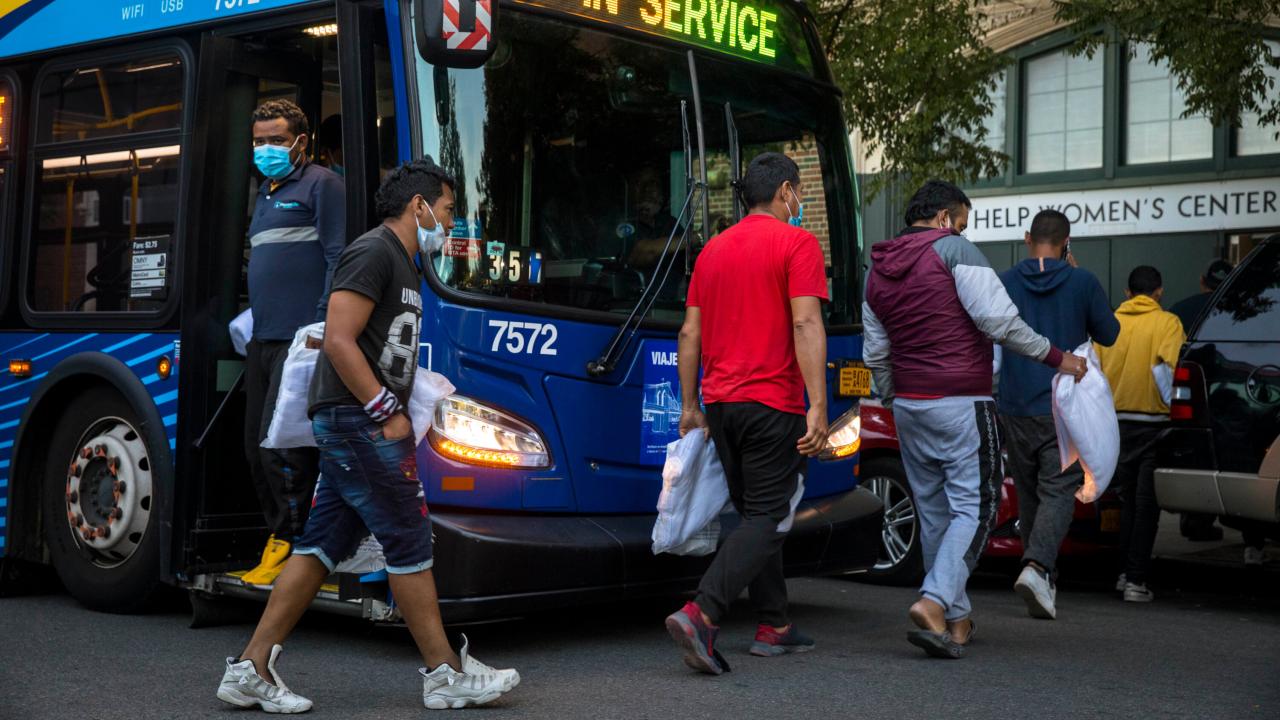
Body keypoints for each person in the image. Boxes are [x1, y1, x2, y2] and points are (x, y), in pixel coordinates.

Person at [217, 158, 519, 712]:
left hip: (358, 424)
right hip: (362, 423)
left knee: (320, 546)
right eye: (448, 210)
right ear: (419, 206)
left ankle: (249, 669)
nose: (450, 224)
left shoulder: (403, 262)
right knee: (408, 538)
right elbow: (338, 338)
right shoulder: (374, 251)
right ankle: (444, 672)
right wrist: (387, 410)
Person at [862, 180, 1086, 659]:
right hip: (963, 400)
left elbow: (877, 352)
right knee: (979, 506)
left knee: (936, 512)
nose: (964, 230)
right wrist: (1058, 358)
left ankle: (954, 620)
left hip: (909, 405)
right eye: (962, 222)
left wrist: (894, 398)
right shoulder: (955, 251)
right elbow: (1000, 323)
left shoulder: (876, 269)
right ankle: (934, 599)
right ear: (945, 217)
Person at [664, 152, 829, 675]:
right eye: (798, 192)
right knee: (770, 515)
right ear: (785, 192)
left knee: (758, 514)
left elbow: (689, 333)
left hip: (722, 408)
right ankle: (703, 611)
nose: (798, 201)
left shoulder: (711, 250)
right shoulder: (797, 243)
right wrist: (818, 405)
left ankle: (774, 624)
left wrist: (691, 406)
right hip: (772, 406)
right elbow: (805, 324)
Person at [241, 99, 346, 586]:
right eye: (260, 140)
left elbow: (337, 257)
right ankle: (284, 538)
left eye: (277, 140)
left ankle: (296, 546)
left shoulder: (323, 184)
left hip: (301, 340)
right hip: (262, 339)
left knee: (281, 448)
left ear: (302, 142)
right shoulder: (265, 191)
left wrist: (324, 326)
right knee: (253, 445)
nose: (266, 148)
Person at [997, 210, 1120, 620]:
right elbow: (1109, 334)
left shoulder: (1006, 280)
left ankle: (1041, 576)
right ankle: (1037, 567)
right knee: (1059, 487)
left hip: (1013, 402)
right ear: (1067, 242)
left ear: (1028, 237)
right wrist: (1079, 284)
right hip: (1061, 402)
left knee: (1031, 490)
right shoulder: (1082, 281)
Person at [1095, 266, 1185, 604]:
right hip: (1153, 425)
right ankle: (1136, 580)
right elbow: (1172, 367)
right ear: (1159, 292)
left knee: (1126, 502)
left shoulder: (1109, 323)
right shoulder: (1168, 323)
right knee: (1146, 506)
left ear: (1127, 292)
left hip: (1115, 425)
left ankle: (1122, 574)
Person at [1168, 259, 1233, 542]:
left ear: (1201, 281)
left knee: (1194, 455)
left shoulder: (1180, 311)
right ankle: (1252, 541)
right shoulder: (1239, 311)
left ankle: (1195, 519)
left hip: (1188, 397)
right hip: (1231, 396)